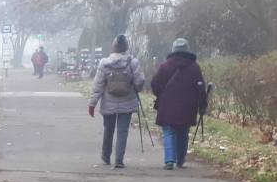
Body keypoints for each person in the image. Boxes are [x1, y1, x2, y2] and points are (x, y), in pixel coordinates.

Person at [89, 34, 145, 168]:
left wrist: (92, 103)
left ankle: (106, 156)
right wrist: (136, 87)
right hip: (127, 101)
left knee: (108, 129)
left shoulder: (104, 63)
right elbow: (140, 81)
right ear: (126, 47)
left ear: (114, 47)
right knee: (122, 131)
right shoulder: (133, 62)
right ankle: (119, 160)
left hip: (109, 103)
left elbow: (98, 85)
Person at [151, 37, 208, 170]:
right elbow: (200, 88)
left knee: (169, 131)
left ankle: (169, 160)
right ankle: (180, 160)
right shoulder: (194, 67)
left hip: (168, 106)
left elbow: (155, 84)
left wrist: (162, 94)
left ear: (173, 50)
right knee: (183, 132)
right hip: (188, 107)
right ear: (187, 50)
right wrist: (202, 105)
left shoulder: (165, 66)